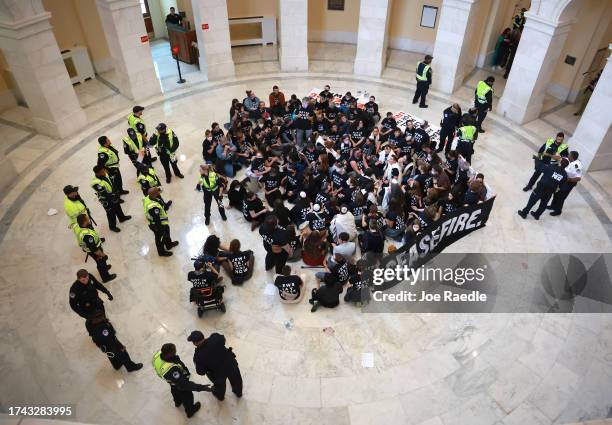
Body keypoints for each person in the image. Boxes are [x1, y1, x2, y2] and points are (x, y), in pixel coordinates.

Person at [152, 343, 213, 418]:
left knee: (174, 391)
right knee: (187, 397)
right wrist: (202, 388)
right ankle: (190, 411)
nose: (176, 352)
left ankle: (177, 402)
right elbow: (185, 385)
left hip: (172, 383)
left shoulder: (157, 355)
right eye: (174, 352)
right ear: (169, 354)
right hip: (179, 384)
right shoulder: (172, 370)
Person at [188, 330, 243, 401]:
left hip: (218, 374)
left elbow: (201, 372)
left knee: (220, 386)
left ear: (194, 343)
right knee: (237, 380)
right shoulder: (215, 338)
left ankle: (220, 396)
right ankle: (238, 392)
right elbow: (222, 338)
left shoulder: (198, 356)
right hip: (231, 364)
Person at [73, 214, 115, 282]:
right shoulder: (87, 236)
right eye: (87, 219)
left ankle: (105, 267)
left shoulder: (80, 227)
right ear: (84, 222)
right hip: (94, 251)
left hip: (90, 248)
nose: (89, 219)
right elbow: (94, 249)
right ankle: (106, 277)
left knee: (102, 261)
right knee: (100, 262)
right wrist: (103, 255)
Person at [91, 165, 131, 232]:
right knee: (110, 213)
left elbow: (111, 183)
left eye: (103, 170)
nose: (104, 172)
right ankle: (112, 226)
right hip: (106, 199)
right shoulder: (95, 183)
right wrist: (113, 195)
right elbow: (104, 193)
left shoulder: (104, 174)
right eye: (102, 171)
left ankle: (122, 218)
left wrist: (116, 192)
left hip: (112, 195)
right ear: (97, 173)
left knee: (117, 206)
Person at [143, 187, 179, 256]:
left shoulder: (148, 197)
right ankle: (161, 252)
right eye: (157, 192)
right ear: (154, 195)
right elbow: (157, 219)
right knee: (160, 238)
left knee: (167, 233)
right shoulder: (153, 207)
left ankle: (169, 245)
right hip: (158, 225)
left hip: (163, 223)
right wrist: (160, 228)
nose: (159, 192)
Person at [549, 151, 582, 216]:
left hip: (569, 183)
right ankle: (553, 206)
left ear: (572, 157)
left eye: (569, 155)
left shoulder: (577, 166)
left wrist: (568, 179)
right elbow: (559, 158)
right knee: (556, 193)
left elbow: (578, 178)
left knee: (561, 197)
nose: (568, 156)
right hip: (563, 180)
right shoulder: (568, 160)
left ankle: (558, 211)